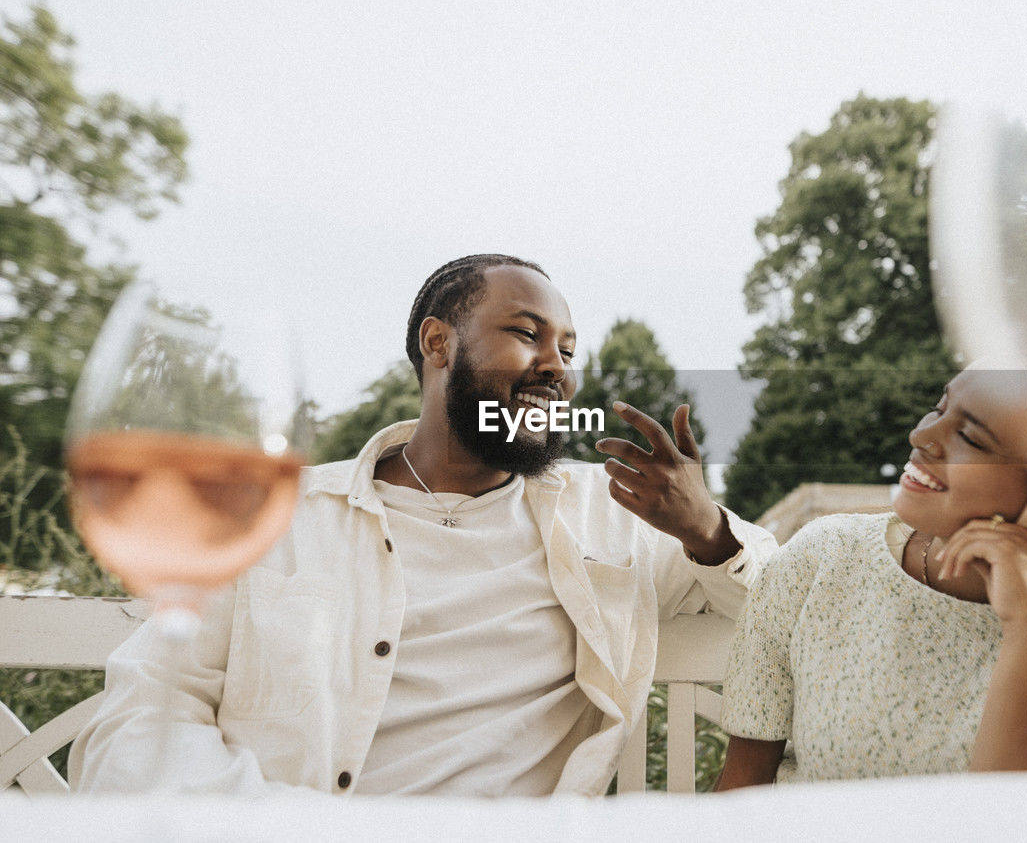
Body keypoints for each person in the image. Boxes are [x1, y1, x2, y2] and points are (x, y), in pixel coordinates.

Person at [71, 253, 777, 796]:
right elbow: (132, 729)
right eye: (527, 334)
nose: (555, 368)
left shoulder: (615, 514)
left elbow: (794, 597)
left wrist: (706, 529)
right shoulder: (277, 517)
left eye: (567, 349)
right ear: (438, 343)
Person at [715, 367, 1027, 788]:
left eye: (971, 436)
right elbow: (740, 796)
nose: (922, 436)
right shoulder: (822, 560)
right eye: (939, 407)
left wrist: (1024, 638)